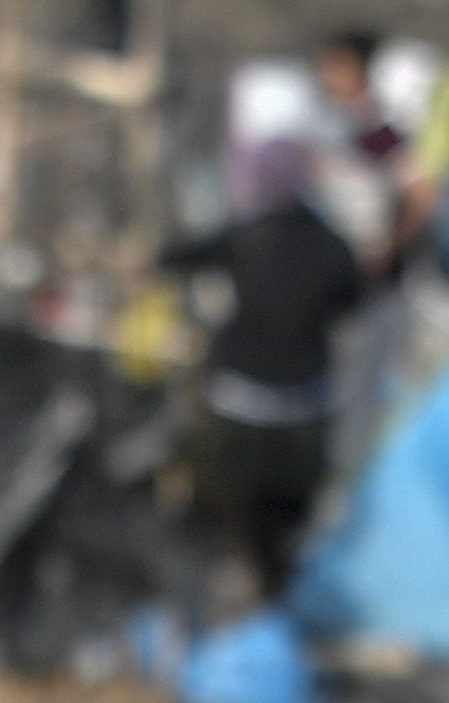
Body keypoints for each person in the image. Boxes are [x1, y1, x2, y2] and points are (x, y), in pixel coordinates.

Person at [158, 140, 373, 598]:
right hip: (305, 411)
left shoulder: (246, 235)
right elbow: (354, 301)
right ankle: (274, 601)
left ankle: (247, 598)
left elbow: (174, 260)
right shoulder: (334, 247)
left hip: (238, 406)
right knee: (288, 535)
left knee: (236, 525)